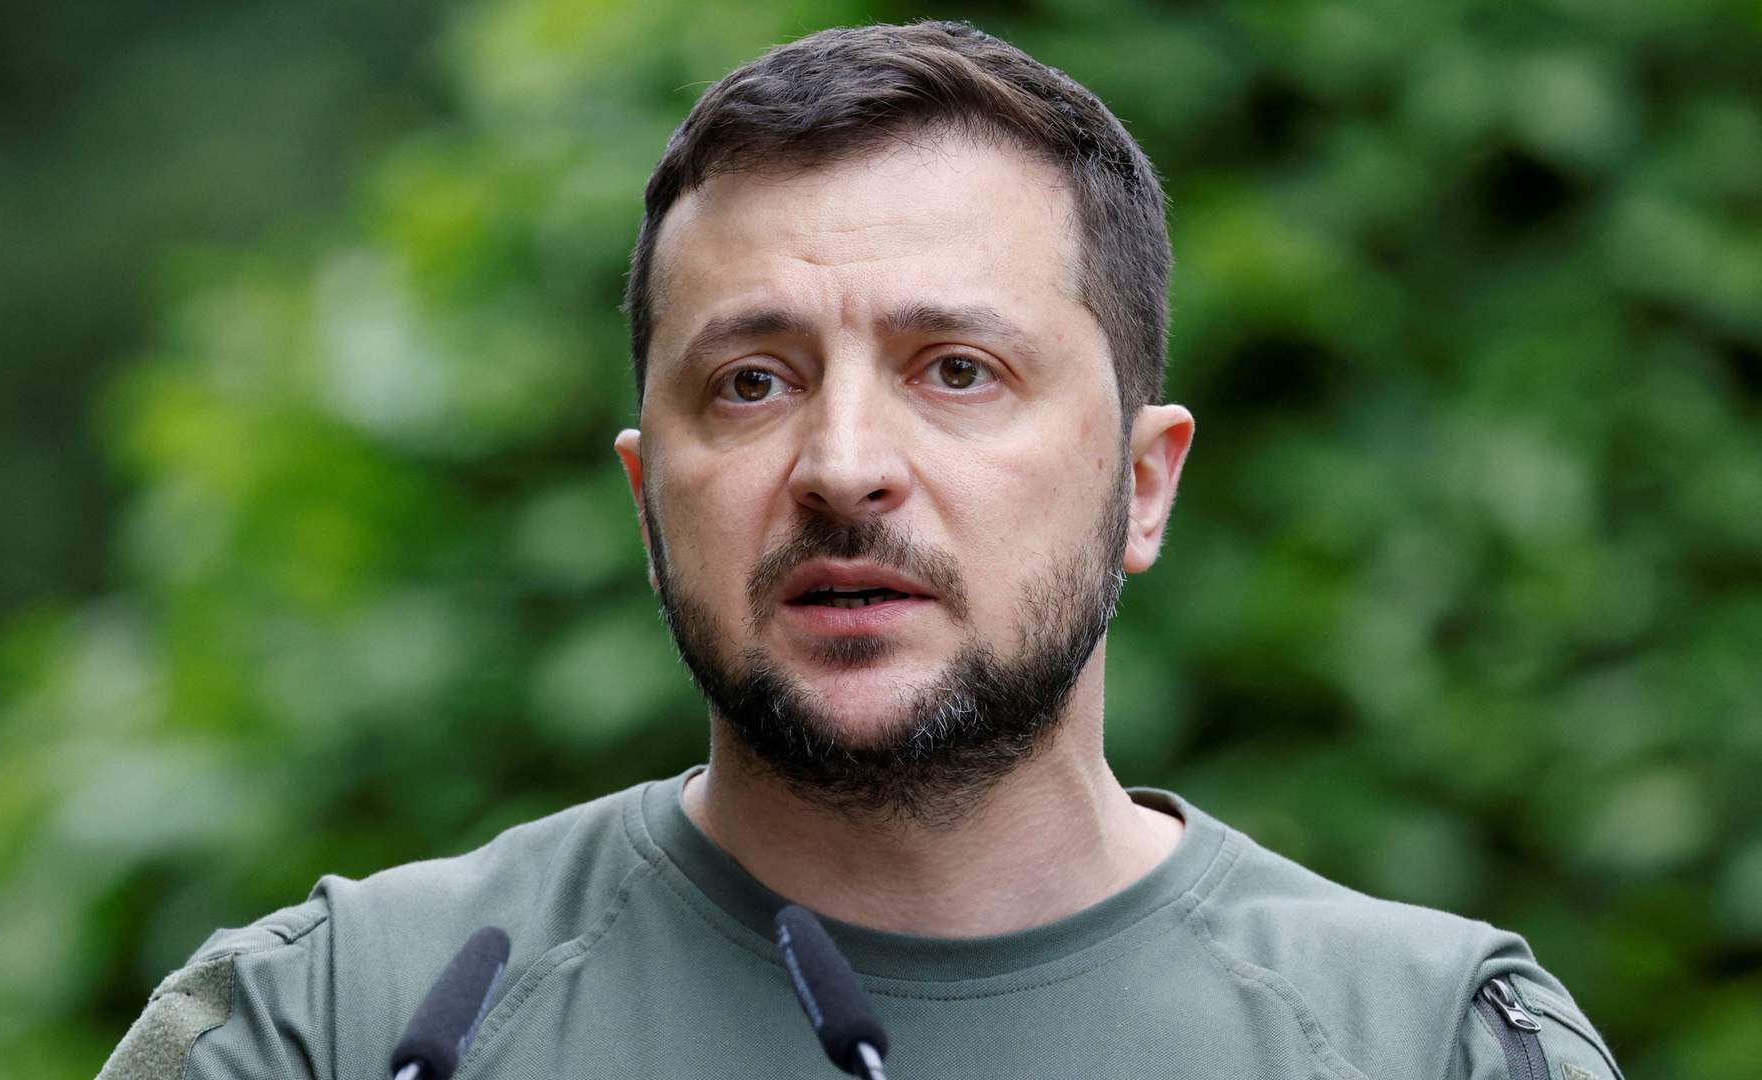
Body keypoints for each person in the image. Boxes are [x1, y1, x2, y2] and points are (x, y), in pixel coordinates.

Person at [100, 21, 1621, 1080]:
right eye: (749, 383)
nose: (841, 468)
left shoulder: (1434, 1044)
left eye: (957, 369)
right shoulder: (334, 1025)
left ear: (1143, 485)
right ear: (646, 495)